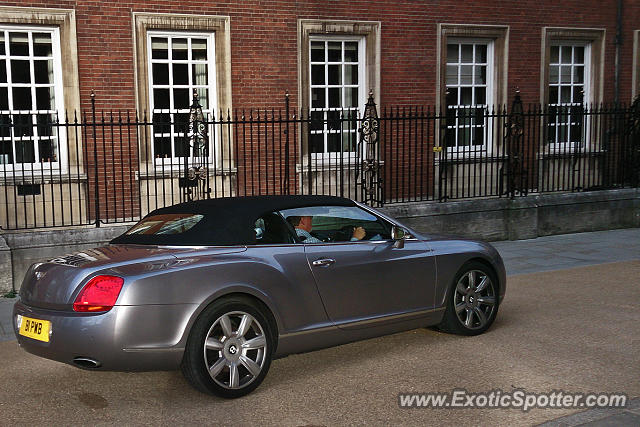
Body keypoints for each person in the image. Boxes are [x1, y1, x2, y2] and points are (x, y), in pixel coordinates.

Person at [288, 216, 366, 243]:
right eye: (310, 218)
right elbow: (336, 257)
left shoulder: (290, 235)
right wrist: (355, 238)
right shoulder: (310, 241)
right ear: (302, 220)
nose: (312, 221)